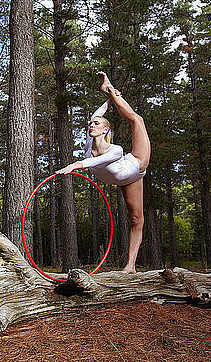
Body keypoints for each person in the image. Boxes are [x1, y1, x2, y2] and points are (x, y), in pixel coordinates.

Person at [56, 72, 151, 273]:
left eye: (96, 124)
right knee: (135, 219)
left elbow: (96, 161)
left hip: (137, 163)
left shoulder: (115, 150)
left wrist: (75, 165)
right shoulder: (89, 144)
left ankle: (130, 266)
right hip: (124, 180)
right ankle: (108, 89)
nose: (91, 125)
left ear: (105, 130)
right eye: (91, 124)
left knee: (136, 119)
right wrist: (109, 99)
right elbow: (95, 116)